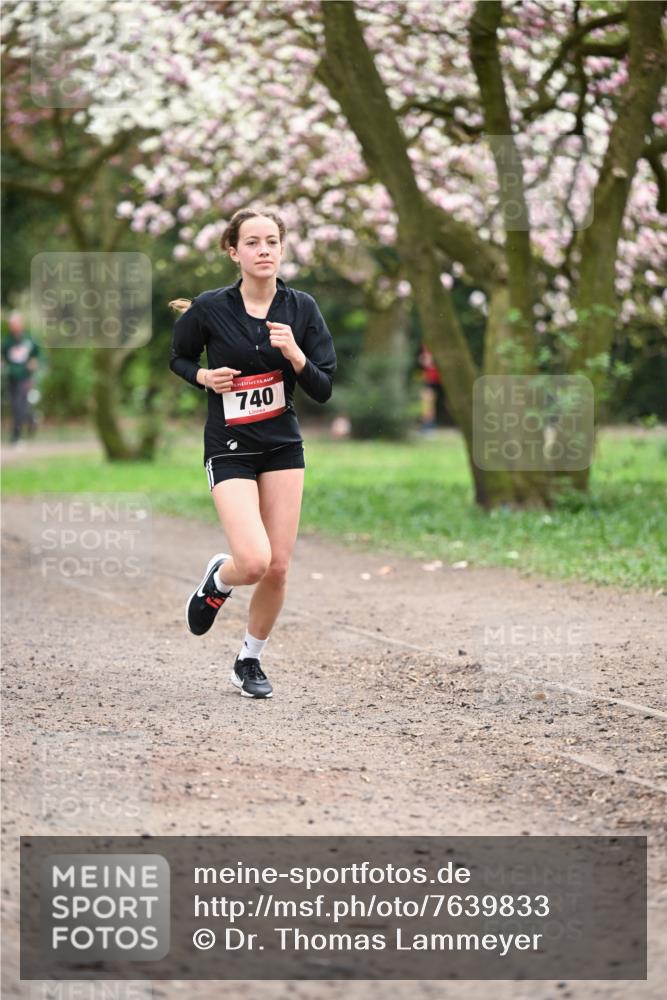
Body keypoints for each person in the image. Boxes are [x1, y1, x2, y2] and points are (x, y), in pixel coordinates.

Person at [169, 207, 337, 699]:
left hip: (282, 445)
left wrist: (296, 356)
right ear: (234, 251)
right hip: (231, 447)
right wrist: (203, 376)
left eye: (272, 242)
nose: (264, 250)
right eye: (253, 242)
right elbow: (178, 357)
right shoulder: (210, 307)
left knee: (279, 566)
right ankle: (218, 580)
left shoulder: (301, 308)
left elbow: (324, 388)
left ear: (282, 250)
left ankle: (249, 660)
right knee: (254, 560)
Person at [2, 311, 40, 446]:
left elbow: (38, 355)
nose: (13, 326)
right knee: (16, 406)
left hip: (25, 378)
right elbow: (4, 357)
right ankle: (32, 418)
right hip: (12, 377)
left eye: (15, 323)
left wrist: (34, 363)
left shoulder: (29, 340)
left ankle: (16, 437)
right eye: (11, 324)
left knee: (19, 405)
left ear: (21, 324)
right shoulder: (7, 342)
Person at [417, 343, 443, 436]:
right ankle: (428, 426)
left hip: (442, 378)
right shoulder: (425, 344)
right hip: (430, 378)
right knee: (427, 401)